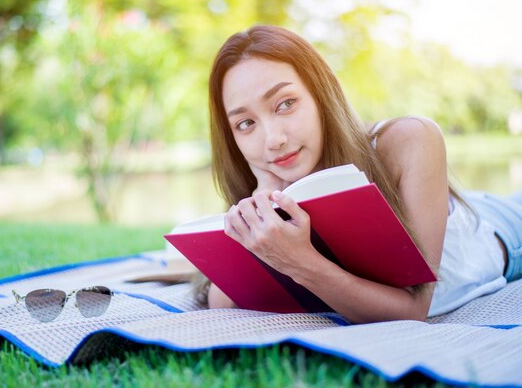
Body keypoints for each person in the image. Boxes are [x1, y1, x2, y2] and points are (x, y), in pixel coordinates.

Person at [194, 25, 522, 324]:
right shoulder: (270, 183)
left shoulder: (410, 140)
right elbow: (221, 301)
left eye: (285, 104)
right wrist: (266, 192)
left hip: (502, 228)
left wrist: (301, 262)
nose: (273, 139)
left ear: (321, 95)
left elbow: (412, 311)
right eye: (246, 123)